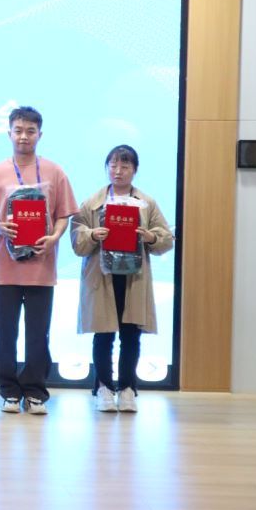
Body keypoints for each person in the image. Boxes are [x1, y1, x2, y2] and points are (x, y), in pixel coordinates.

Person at [0, 106, 77, 415]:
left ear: (40, 134)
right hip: (5, 267)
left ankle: (35, 392)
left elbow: (63, 214)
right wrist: (0, 227)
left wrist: (54, 237)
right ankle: (9, 391)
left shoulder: (55, 171)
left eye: (30, 131)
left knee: (38, 334)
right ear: (9, 133)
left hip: (41, 267)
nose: (24, 136)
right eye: (18, 130)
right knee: (4, 333)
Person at [70, 145, 174, 413]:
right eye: (113, 165)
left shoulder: (146, 203)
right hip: (101, 276)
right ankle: (103, 387)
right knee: (103, 335)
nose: (118, 171)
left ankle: (127, 388)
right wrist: (92, 234)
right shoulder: (92, 203)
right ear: (106, 168)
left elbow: (166, 238)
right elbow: (77, 240)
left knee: (131, 335)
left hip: (133, 278)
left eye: (125, 166)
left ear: (134, 170)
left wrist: (150, 236)